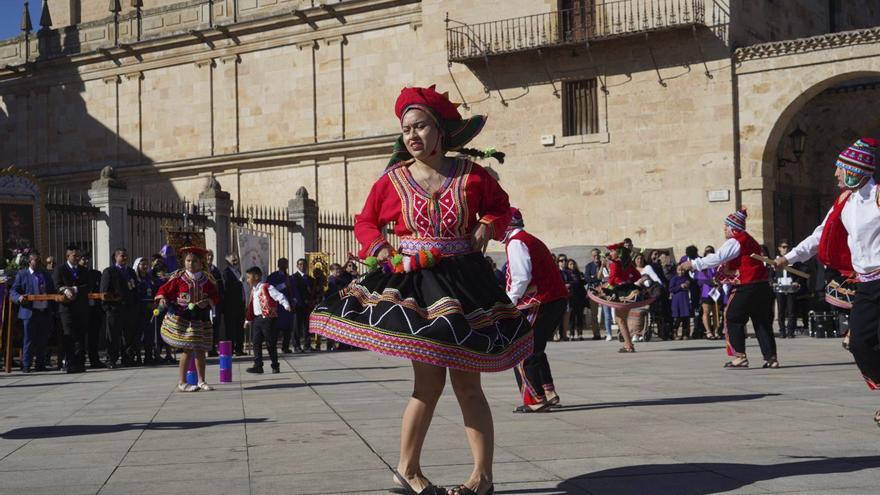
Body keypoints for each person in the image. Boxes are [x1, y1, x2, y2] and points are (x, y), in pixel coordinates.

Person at [309, 85, 529, 495]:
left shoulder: (471, 174)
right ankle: (407, 470)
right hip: (419, 284)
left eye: (421, 126)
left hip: (465, 283)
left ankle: (482, 478)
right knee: (427, 384)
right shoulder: (393, 180)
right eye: (406, 129)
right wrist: (381, 250)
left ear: (440, 129)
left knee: (468, 383)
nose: (412, 135)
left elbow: (502, 207)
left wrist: (487, 223)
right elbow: (366, 222)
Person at [776, 138, 880, 424]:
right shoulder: (844, 202)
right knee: (860, 343)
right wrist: (790, 258)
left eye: (839, 168)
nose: (835, 174)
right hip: (867, 284)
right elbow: (819, 235)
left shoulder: (879, 197)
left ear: (855, 169)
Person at [680, 208, 778, 368]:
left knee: (732, 317)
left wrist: (694, 263)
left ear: (734, 228)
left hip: (747, 285)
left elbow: (718, 258)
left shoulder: (736, 241)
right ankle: (771, 358)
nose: (724, 229)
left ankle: (740, 356)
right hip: (761, 286)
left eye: (726, 226)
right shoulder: (749, 240)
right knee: (761, 321)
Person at [504, 208, 568, 413]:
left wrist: (509, 303)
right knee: (536, 348)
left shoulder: (516, 242)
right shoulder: (529, 239)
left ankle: (535, 399)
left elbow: (521, 277)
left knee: (521, 348)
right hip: (552, 300)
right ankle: (548, 392)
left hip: (539, 301)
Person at [155, 243, 221, 392]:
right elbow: (164, 290)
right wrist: (162, 299)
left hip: (200, 318)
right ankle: (182, 382)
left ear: (200, 263)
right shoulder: (178, 277)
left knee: (200, 350)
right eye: (188, 261)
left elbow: (215, 296)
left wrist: (208, 301)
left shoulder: (207, 279)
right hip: (183, 317)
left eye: (194, 261)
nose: (191, 264)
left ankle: (201, 381)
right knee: (187, 350)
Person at [11, 251, 56, 373]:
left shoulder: (45, 275)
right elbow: (13, 291)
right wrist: (19, 298)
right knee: (29, 340)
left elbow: (52, 290)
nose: (38, 262)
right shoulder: (22, 274)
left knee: (42, 339)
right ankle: (26, 365)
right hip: (30, 312)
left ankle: (40, 364)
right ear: (30, 261)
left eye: (39, 260)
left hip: (44, 311)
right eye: (36, 260)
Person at [599, 241, 648, 353]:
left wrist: (606, 287)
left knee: (620, 320)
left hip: (620, 293)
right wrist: (627, 280)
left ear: (618, 252)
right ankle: (628, 344)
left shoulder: (615, 264)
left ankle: (628, 345)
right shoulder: (628, 263)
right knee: (622, 319)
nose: (610, 253)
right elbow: (637, 276)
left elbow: (612, 279)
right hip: (628, 290)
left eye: (612, 251)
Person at [244, 266, 291, 374]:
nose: (247, 280)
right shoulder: (253, 291)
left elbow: (279, 296)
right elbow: (251, 306)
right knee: (256, 342)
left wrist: (286, 305)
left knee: (270, 343)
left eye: (248, 277)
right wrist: (248, 320)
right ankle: (258, 365)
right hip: (257, 319)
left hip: (268, 319)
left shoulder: (266, 287)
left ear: (256, 277)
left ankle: (275, 365)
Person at [100, 248, 140, 368]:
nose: (125, 258)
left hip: (129, 308)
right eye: (122, 256)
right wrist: (108, 308)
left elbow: (135, 288)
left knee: (128, 335)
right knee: (113, 335)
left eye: (126, 256)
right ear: (116, 257)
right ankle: (111, 359)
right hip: (114, 308)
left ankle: (127, 358)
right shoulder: (109, 271)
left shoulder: (131, 271)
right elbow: (104, 291)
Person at [53, 246, 89, 373]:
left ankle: (79, 363)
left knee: (80, 336)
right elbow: (56, 285)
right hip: (67, 309)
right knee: (69, 335)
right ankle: (69, 362)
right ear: (68, 256)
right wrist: (65, 289)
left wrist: (76, 289)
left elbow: (87, 286)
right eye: (74, 255)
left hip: (81, 308)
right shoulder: (60, 269)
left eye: (78, 255)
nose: (77, 258)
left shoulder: (84, 270)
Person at [79, 253, 106, 368]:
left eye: (87, 259)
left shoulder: (96, 273)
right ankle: (79, 359)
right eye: (83, 259)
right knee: (79, 336)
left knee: (94, 336)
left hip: (95, 309)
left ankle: (94, 360)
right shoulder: (77, 273)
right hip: (81, 309)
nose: (85, 261)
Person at [134, 257, 162, 365]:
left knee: (150, 335)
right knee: (138, 335)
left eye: (146, 264)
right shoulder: (136, 279)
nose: (145, 267)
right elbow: (136, 295)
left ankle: (148, 356)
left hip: (151, 311)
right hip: (140, 311)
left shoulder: (150, 279)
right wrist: (145, 305)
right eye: (142, 264)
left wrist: (156, 304)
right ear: (137, 266)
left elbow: (155, 292)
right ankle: (137, 357)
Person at [267, 258, 296, 353]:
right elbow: (271, 289)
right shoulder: (273, 276)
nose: (284, 266)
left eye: (286, 264)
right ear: (278, 265)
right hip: (278, 306)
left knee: (288, 327)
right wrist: (284, 285)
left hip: (288, 306)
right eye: (282, 264)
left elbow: (295, 290)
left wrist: (295, 301)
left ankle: (285, 347)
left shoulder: (290, 277)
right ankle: (273, 347)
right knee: (276, 328)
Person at [222, 253, 247, 356]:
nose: (236, 262)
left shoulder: (238, 272)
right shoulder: (226, 272)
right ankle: (230, 350)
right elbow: (227, 288)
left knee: (240, 327)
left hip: (240, 304)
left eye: (236, 260)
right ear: (228, 262)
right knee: (231, 328)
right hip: (230, 305)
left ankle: (239, 349)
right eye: (233, 260)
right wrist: (239, 282)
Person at [205, 250, 225, 357]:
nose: (210, 258)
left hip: (215, 302)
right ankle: (207, 347)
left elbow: (220, 286)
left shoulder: (215, 270)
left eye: (211, 256)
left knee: (215, 325)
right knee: (207, 325)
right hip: (206, 303)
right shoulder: (202, 269)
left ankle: (213, 347)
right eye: (208, 256)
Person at [291, 257, 312, 352]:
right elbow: (294, 291)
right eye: (300, 264)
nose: (302, 266)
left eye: (304, 264)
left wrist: (310, 300)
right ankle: (296, 345)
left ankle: (307, 345)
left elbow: (311, 291)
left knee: (307, 326)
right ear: (297, 266)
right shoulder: (293, 277)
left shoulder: (309, 278)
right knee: (297, 326)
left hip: (307, 305)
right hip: (298, 305)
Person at [669, 264, 693, 340]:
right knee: (677, 318)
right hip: (677, 300)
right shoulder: (674, 279)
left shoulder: (687, 278)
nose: (681, 272)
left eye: (682, 270)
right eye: (679, 270)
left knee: (685, 317)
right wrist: (680, 286)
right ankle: (674, 333)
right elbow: (671, 289)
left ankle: (685, 333)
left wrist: (688, 284)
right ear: (676, 271)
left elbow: (691, 285)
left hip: (685, 300)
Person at [566, 259, 587, 341]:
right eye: (570, 264)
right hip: (571, 297)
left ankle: (580, 334)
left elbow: (584, 282)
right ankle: (571, 334)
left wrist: (582, 279)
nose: (572, 266)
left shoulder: (579, 273)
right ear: (568, 265)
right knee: (572, 317)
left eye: (573, 264)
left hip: (580, 297)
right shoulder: (566, 274)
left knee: (579, 316)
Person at [584, 249, 603, 340]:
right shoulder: (589, 266)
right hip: (593, 292)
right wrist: (597, 278)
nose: (596, 257)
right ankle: (596, 334)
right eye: (594, 255)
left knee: (607, 314)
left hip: (605, 291)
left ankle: (609, 334)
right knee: (594, 314)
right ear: (592, 256)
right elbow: (587, 279)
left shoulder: (604, 265)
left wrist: (594, 277)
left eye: (598, 255)